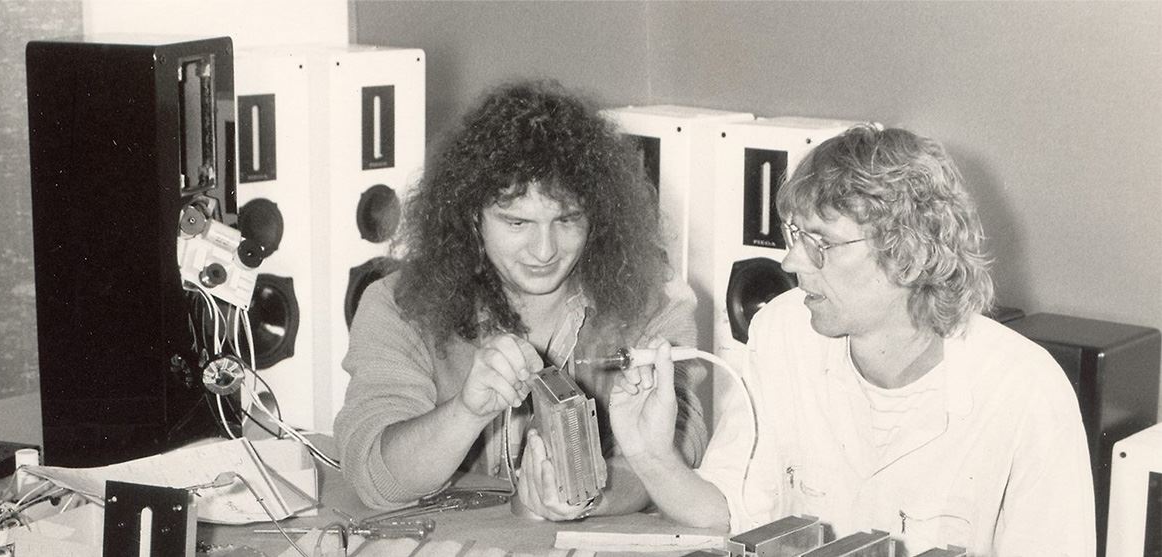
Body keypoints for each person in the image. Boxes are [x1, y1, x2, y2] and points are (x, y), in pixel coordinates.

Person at [608, 123, 1094, 554]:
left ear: (909, 255)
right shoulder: (783, 330)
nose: (791, 262)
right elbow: (731, 514)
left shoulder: (1026, 390)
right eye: (795, 235)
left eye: (822, 242)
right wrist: (651, 455)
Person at [333, 79, 709, 520]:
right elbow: (374, 479)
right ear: (471, 217)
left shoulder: (655, 302)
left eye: (567, 220)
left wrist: (590, 498)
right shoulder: (399, 306)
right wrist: (466, 411)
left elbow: (681, 447)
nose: (545, 250)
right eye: (517, 223)